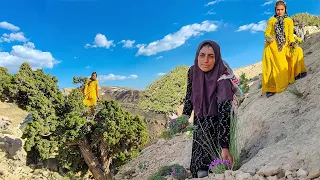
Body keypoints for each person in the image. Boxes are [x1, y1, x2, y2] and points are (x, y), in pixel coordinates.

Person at [182, 40, 234, 178]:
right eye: (202, 55)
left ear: (216, 57)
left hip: (217, 122)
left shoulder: (223, 77)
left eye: (211, 56)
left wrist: (225, 147)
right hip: (199, 119)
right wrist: (185, 116)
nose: (206, 60)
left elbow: (225, 113)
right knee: (197, 162)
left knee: (211, 168)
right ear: (197, 55)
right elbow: (189, 94)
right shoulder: (193, 71)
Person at [262, 0, 306, 98]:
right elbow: (266, 33)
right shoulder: (271, 20)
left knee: (298, 50)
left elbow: (290, 35)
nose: (280, 12)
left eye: (282, 9)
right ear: (275, 10)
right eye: (278, 10)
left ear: (285, 9)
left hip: (285, 44)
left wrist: (292, 43)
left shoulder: (289, 21)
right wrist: (269, 38)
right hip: (273, 45)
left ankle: (298, 73)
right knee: (278, 63)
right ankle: (272, 88)